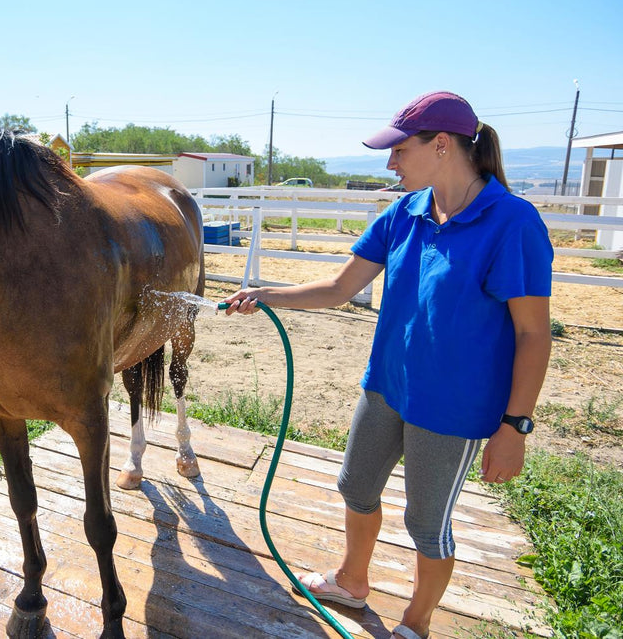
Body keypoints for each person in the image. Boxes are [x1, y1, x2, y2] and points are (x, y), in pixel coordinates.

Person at [225, 91, 553, 639]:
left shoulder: (511, 223)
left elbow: (533, 333)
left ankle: (416, 622)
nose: (390, 163)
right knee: (355, 486)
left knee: (426, 524)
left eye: (399, 150)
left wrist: (515, 425)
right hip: (387, 388)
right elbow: (339, 287)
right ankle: (353, 581)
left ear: (442, 145)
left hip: (454, 408)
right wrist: (266, 293)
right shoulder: (405, 212)